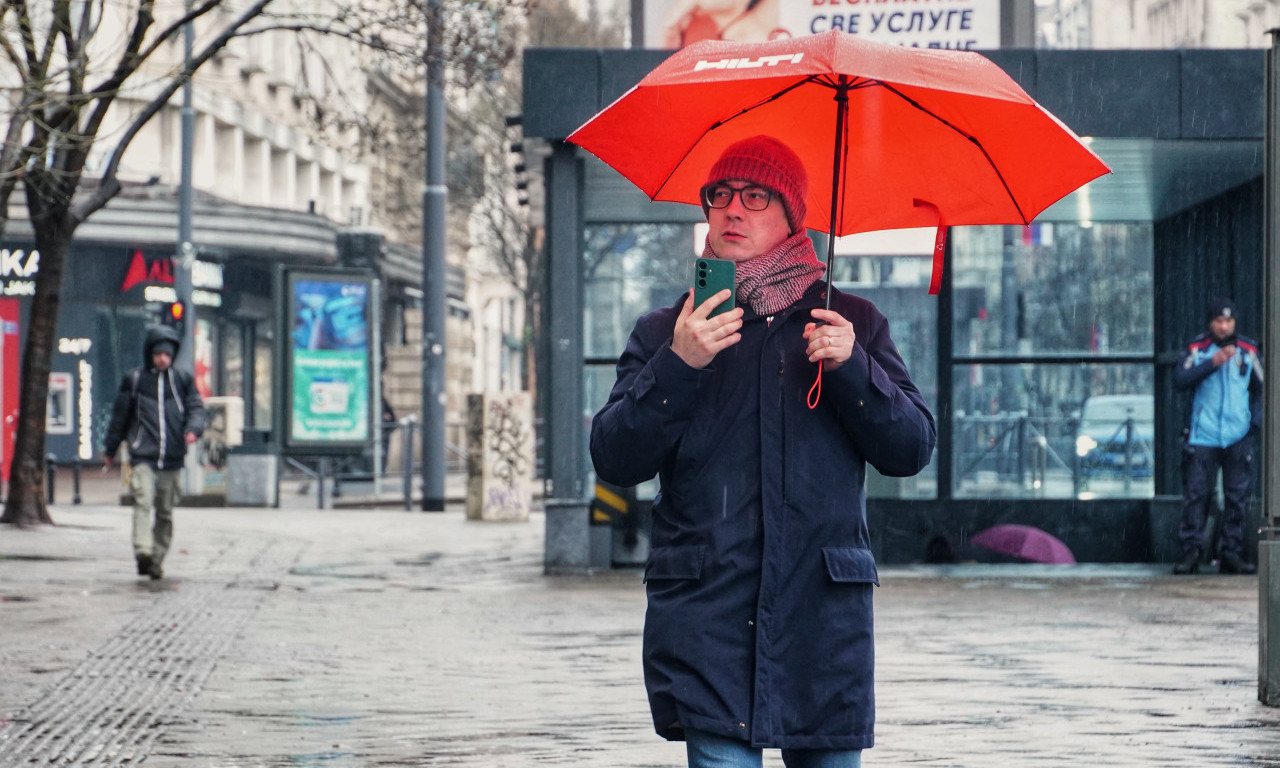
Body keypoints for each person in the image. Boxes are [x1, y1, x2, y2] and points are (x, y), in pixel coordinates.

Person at [589, 135, 936, 767]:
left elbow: (910, 448)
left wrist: (854, 366)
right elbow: (614, 458)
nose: (732, 210)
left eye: (756, 196)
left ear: (792, 217)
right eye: (719, 196)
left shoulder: (848, 319)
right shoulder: (668, 330)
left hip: (820, 619)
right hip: (708, 614)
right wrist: (679, 365)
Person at [104, 325, 205, 581]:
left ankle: (156, 561)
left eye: (167, 354)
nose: (162, 358)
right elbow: (120, 417)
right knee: (142, 501)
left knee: (165, 510)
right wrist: (111, 448)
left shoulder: (182, 381)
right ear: (150, 353)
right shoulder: (135, 380)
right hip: (143, 454)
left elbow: (196, 408)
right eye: (158, 353)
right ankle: (143, 551)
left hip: (172, 456)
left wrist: (193, 429)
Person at [1173, 297, 1263, 576]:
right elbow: (1180, 380)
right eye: (1219, 321)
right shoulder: (1197, 348)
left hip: (1237, 435)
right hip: (1204, 435)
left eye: (1229, 321)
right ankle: (1191, 552)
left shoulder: (1248, 350)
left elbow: (1263, 387)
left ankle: (1230, 554)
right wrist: (1213, 362)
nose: (1224, 327)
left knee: (1237, 496)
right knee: (1196, 495)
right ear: (1210, 323)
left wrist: (1254, 422)